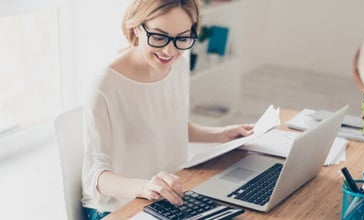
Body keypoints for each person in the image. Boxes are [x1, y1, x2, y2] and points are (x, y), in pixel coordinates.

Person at [80, 0, 253, 219]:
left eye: (182, 38)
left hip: (170, 200)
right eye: (159, 37)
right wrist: (145, 187)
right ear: (136, 26)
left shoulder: (177, 65)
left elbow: (170, 125)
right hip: (119, 208)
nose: (169, 50)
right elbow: (95, 176)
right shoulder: (104, 84)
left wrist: (221, 134)